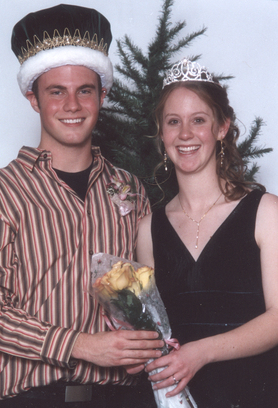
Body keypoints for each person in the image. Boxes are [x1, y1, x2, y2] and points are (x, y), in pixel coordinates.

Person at [0, 5, 163, 408]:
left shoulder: (129, 189)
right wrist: (80, 344)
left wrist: (149, 340)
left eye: (85, 90)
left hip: (121, 398)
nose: (73, 105)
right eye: (56, 91)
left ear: (103, 95)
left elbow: (139, 296)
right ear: (33, 98)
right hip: (29, 398)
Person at [137, 58, 278, 408]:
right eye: (174, 122)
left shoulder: (265, 211)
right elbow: (157, 329)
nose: (185, 134)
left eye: (198, 120)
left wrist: (200, 353)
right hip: (179, 398)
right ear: (162, 133)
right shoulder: (148, 229)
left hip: (254, 392)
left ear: (221, 127)